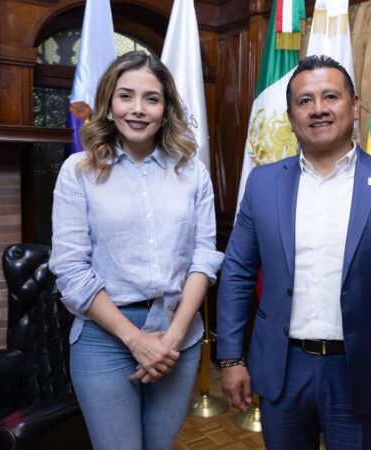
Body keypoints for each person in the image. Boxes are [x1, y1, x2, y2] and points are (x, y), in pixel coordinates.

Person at [217, 55, 371, 449]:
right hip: (283, 369)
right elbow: (237, 272)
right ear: (291, 117)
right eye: (305, 101)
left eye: (330, 97)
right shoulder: (263, 184)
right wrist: (231, 358)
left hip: (363, 371)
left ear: (354, 107)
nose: (318, 109)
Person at [50, 51, 223, 450]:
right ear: (109, 104)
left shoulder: (193, 172)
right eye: (126, 96)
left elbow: (203, 258)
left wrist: (172, 338)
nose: (139, 109)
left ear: (166, 108)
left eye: (152, 98)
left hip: (178, 335)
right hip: (105, 338)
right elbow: (71, 270)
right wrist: (135, 339)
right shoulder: (78, 171)